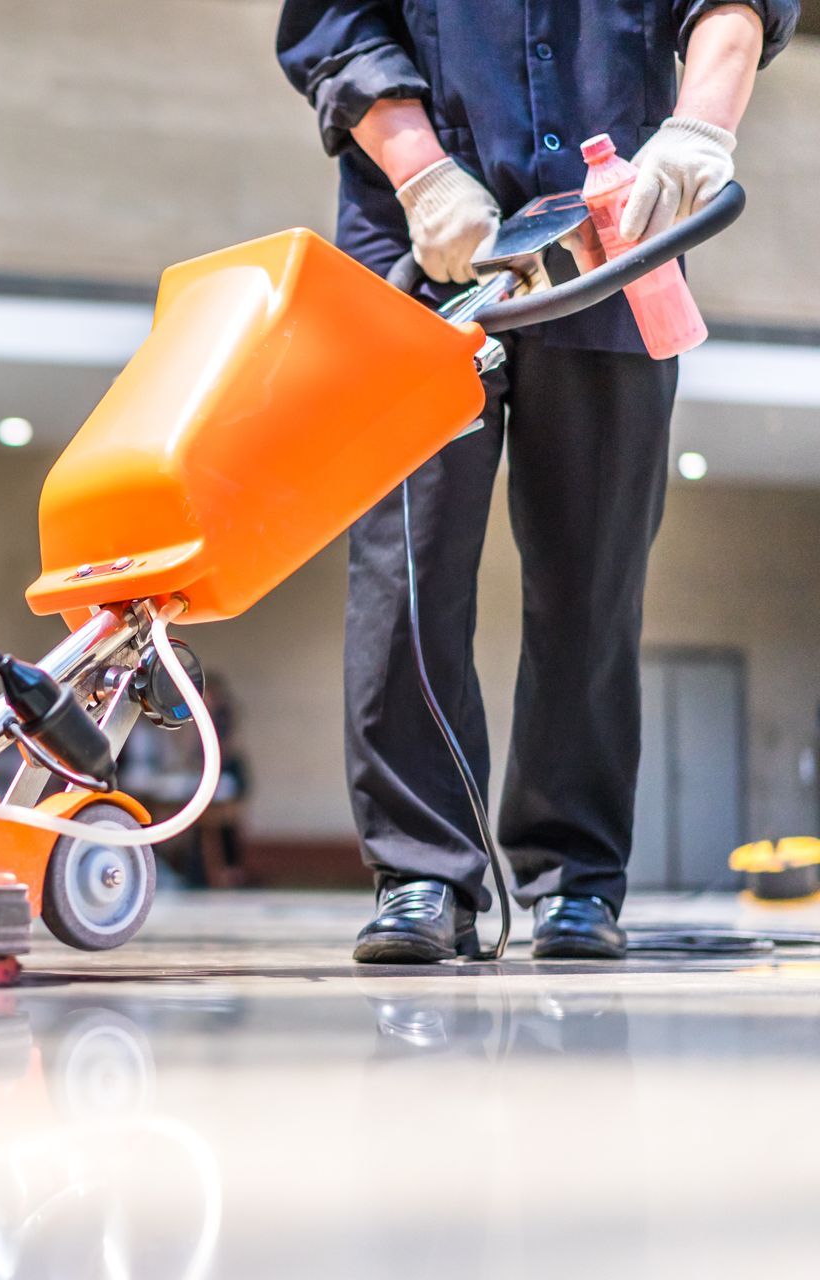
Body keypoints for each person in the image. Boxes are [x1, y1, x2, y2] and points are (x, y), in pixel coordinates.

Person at [276, 0, 799, 962]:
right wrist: (423, 173)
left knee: (594, 579)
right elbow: (337, 26)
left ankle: (573, 883)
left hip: (615, 238)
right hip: (422, 252)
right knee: (408, 572)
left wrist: (698, 130)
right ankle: (424, 875)